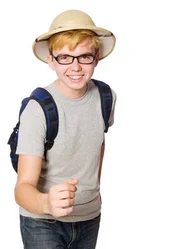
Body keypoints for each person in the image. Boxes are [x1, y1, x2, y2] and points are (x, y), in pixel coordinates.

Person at [14, 9, 116, 249]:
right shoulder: (37, 109)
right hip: (42, 222)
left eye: (84, 57)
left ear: (96, 57)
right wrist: (47, 203)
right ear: (51, 60)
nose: (76, 67)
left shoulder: (106, 97)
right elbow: (22, 188)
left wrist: (94, 190)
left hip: (89, 217)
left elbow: (97, 142)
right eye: (65, 58)